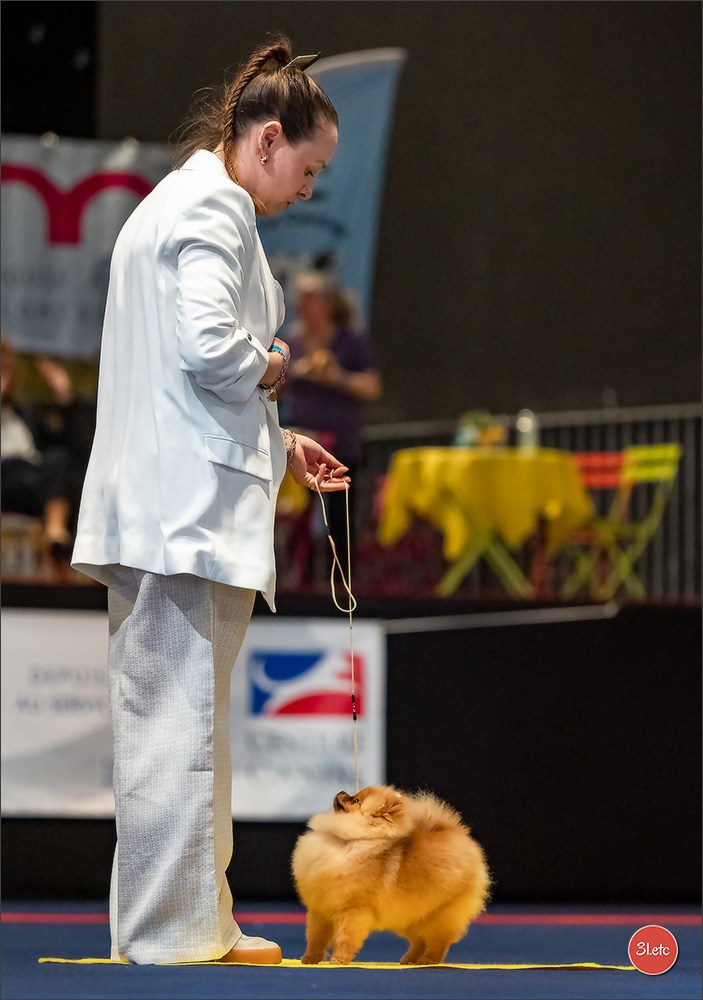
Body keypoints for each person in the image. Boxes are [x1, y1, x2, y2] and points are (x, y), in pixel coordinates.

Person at [70, 37, 348, 966]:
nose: (309, 187)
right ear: (268, 140)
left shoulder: (180, 205)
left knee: (182, 726)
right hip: (179, 519)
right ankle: (167, 936)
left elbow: (184, 383)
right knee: (174, 730)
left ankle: (195, 922)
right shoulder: (213, 211)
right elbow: (209, 353)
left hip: (172, 503)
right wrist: (273, 364)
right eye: (307, 168)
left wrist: (279, 444)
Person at [282, 270, 382, 582]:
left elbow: (372, 387)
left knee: (340, 518)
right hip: (300, 445)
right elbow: (273, 384)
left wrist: (337, 377)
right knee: (297, 517)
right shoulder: (293, 342)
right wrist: (297, 371)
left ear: (327, 303)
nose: (301, 305)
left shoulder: (351, 341)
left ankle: (342, 585)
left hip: (341, 444)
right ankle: (302, 583)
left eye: (308, 299)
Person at [1, 337, 76, 569]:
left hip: (34, 481)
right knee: (15, 466)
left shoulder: (24, 413)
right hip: (7, 477)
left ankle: (56, 531)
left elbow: (60, 443)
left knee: (59, 458)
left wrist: (63, 397)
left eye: (3, 370)